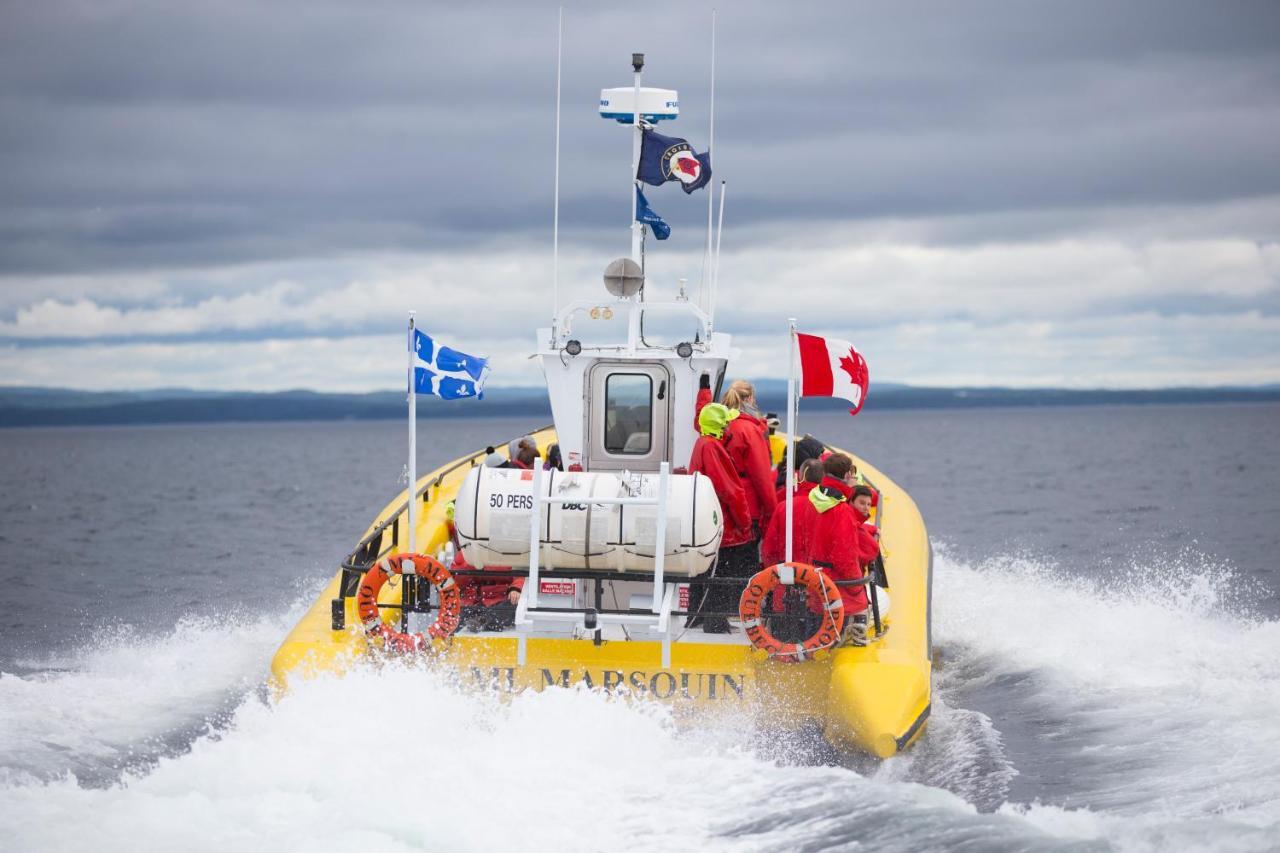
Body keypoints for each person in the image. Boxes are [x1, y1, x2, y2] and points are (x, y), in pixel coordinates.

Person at [687, 401, 753, 633]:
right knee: (721, 572)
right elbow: (730, 490)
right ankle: (715, 622)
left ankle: (695, 617)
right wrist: (745, 521)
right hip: (721, 525)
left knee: (703, 570)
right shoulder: (713, 448)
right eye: (727, 423)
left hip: (704, 523)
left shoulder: (701, 444)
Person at [808, 454, 880, 647]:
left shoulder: (815, 498)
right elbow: (844, 557)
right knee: (859, 609)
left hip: (813, 580)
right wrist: (856, 586)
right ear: (848, 474)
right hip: (837, 587)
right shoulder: (841, 510)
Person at [760, 458, 823, 567]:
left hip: (787, 571)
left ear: (801, 476)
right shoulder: (832, 508)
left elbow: (769, 548)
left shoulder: (784, 506)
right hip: (820, 576)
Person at [452, 550, 525, 632]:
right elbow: (458, 582)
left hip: (499, 600)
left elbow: (520, 575)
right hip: (473, 601)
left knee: (510, 606)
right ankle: (447, 634)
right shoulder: (467, 551)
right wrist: (471, 564)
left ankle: (482, 620)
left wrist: (515, 589)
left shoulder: (511, 550)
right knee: (457, 617)